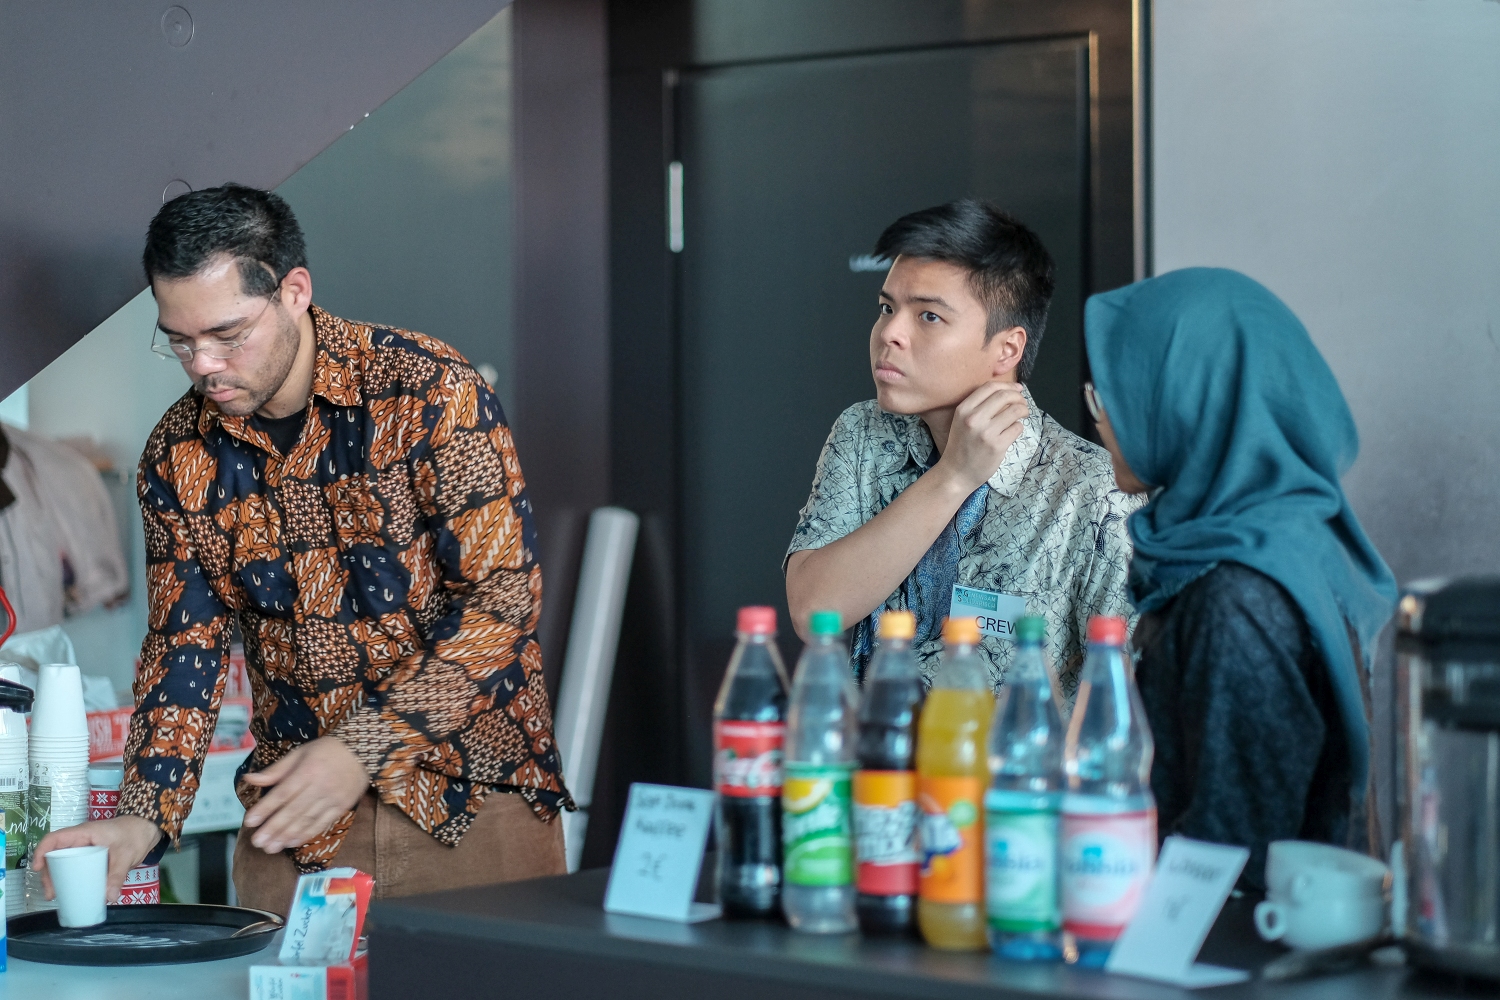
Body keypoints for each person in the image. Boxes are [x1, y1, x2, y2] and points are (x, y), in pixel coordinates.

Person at [35, 184, 569, 914]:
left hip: (470, 803)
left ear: (293, 292)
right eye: (180, 341)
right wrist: (142, 817)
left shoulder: (428, 392)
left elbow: (502, 602)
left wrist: (363, 748)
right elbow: (184, 647)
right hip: (295, 828)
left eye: (228, 334)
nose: (203, 364)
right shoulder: (177, 455)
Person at [1082, 267, 1397, 887]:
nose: (1100, 418)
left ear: (1188, 400)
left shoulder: (1240, 595)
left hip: (1228, 939)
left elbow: (1227, 856)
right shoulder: (1291, 541)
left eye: (1114, 394)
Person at [785, 200, 1141, 698]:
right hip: (877, 746)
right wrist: (953, 476)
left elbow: (1124, 700)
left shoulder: (1093, 491)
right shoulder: (865, 434)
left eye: (929, 316)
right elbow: (813, 611)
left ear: (1007, 349)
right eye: (887, 308)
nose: (890, 333)